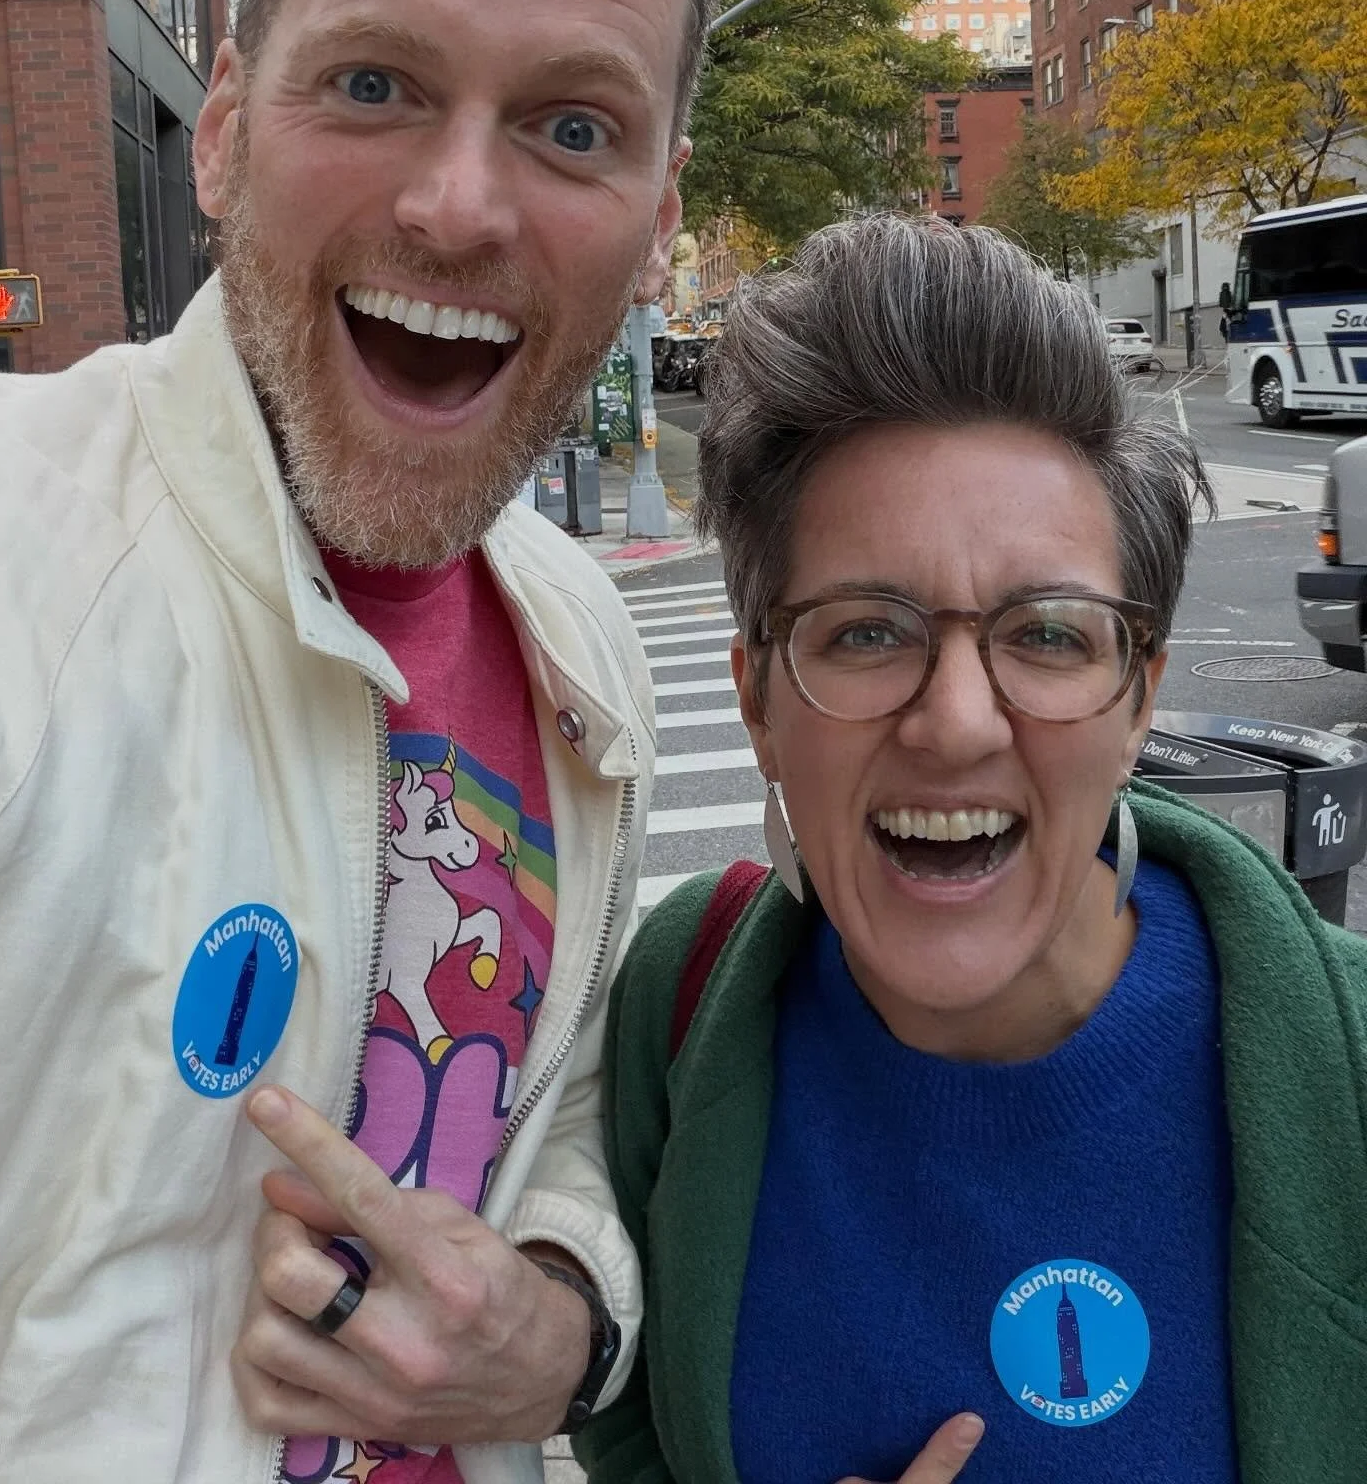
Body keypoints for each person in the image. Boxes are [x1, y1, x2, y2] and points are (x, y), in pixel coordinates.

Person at [0, 0, 727, 1480]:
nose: (459, 203)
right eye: (374, 83)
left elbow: (568, 1091)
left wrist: (565, 1308)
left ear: (661, 223)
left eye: (573, 127)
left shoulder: (582, 641)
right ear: (222, 130)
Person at [578, 215, 1367, 1484]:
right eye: (865, 633)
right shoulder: (682, 1011)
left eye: (1048, 636)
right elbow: (631, 1432)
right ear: (758, 702)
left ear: (1138, 693)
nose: (954, 723)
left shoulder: (1346, 1074)